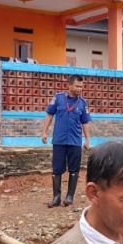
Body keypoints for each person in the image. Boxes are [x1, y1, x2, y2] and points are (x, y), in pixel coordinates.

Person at [41, 74, 91, 208]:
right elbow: (49, 115)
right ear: (69, 85)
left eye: (81, 87)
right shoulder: (58, 99)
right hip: (59, 140)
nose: (79, 89)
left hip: (75, 141)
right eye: (77, 86)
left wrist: (87, 140)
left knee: (74, 169)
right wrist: (44, 132)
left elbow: (85, 122)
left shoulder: (83, 103)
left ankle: (69, 196)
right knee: (57, 169)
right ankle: (56, 197)